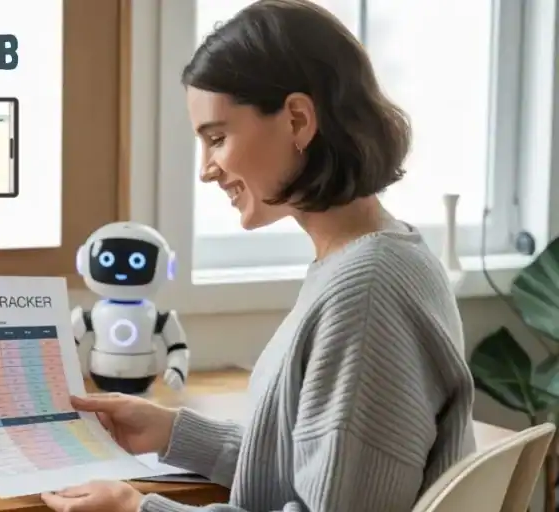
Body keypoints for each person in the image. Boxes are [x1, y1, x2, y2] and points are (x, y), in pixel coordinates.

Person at [40, 0, 476, 511]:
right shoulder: (385, 255)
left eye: (218, 138)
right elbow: (320, 464)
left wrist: (136, 509)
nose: (206, 169)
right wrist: (175, 432)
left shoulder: (366, 292)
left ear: (296, 120)